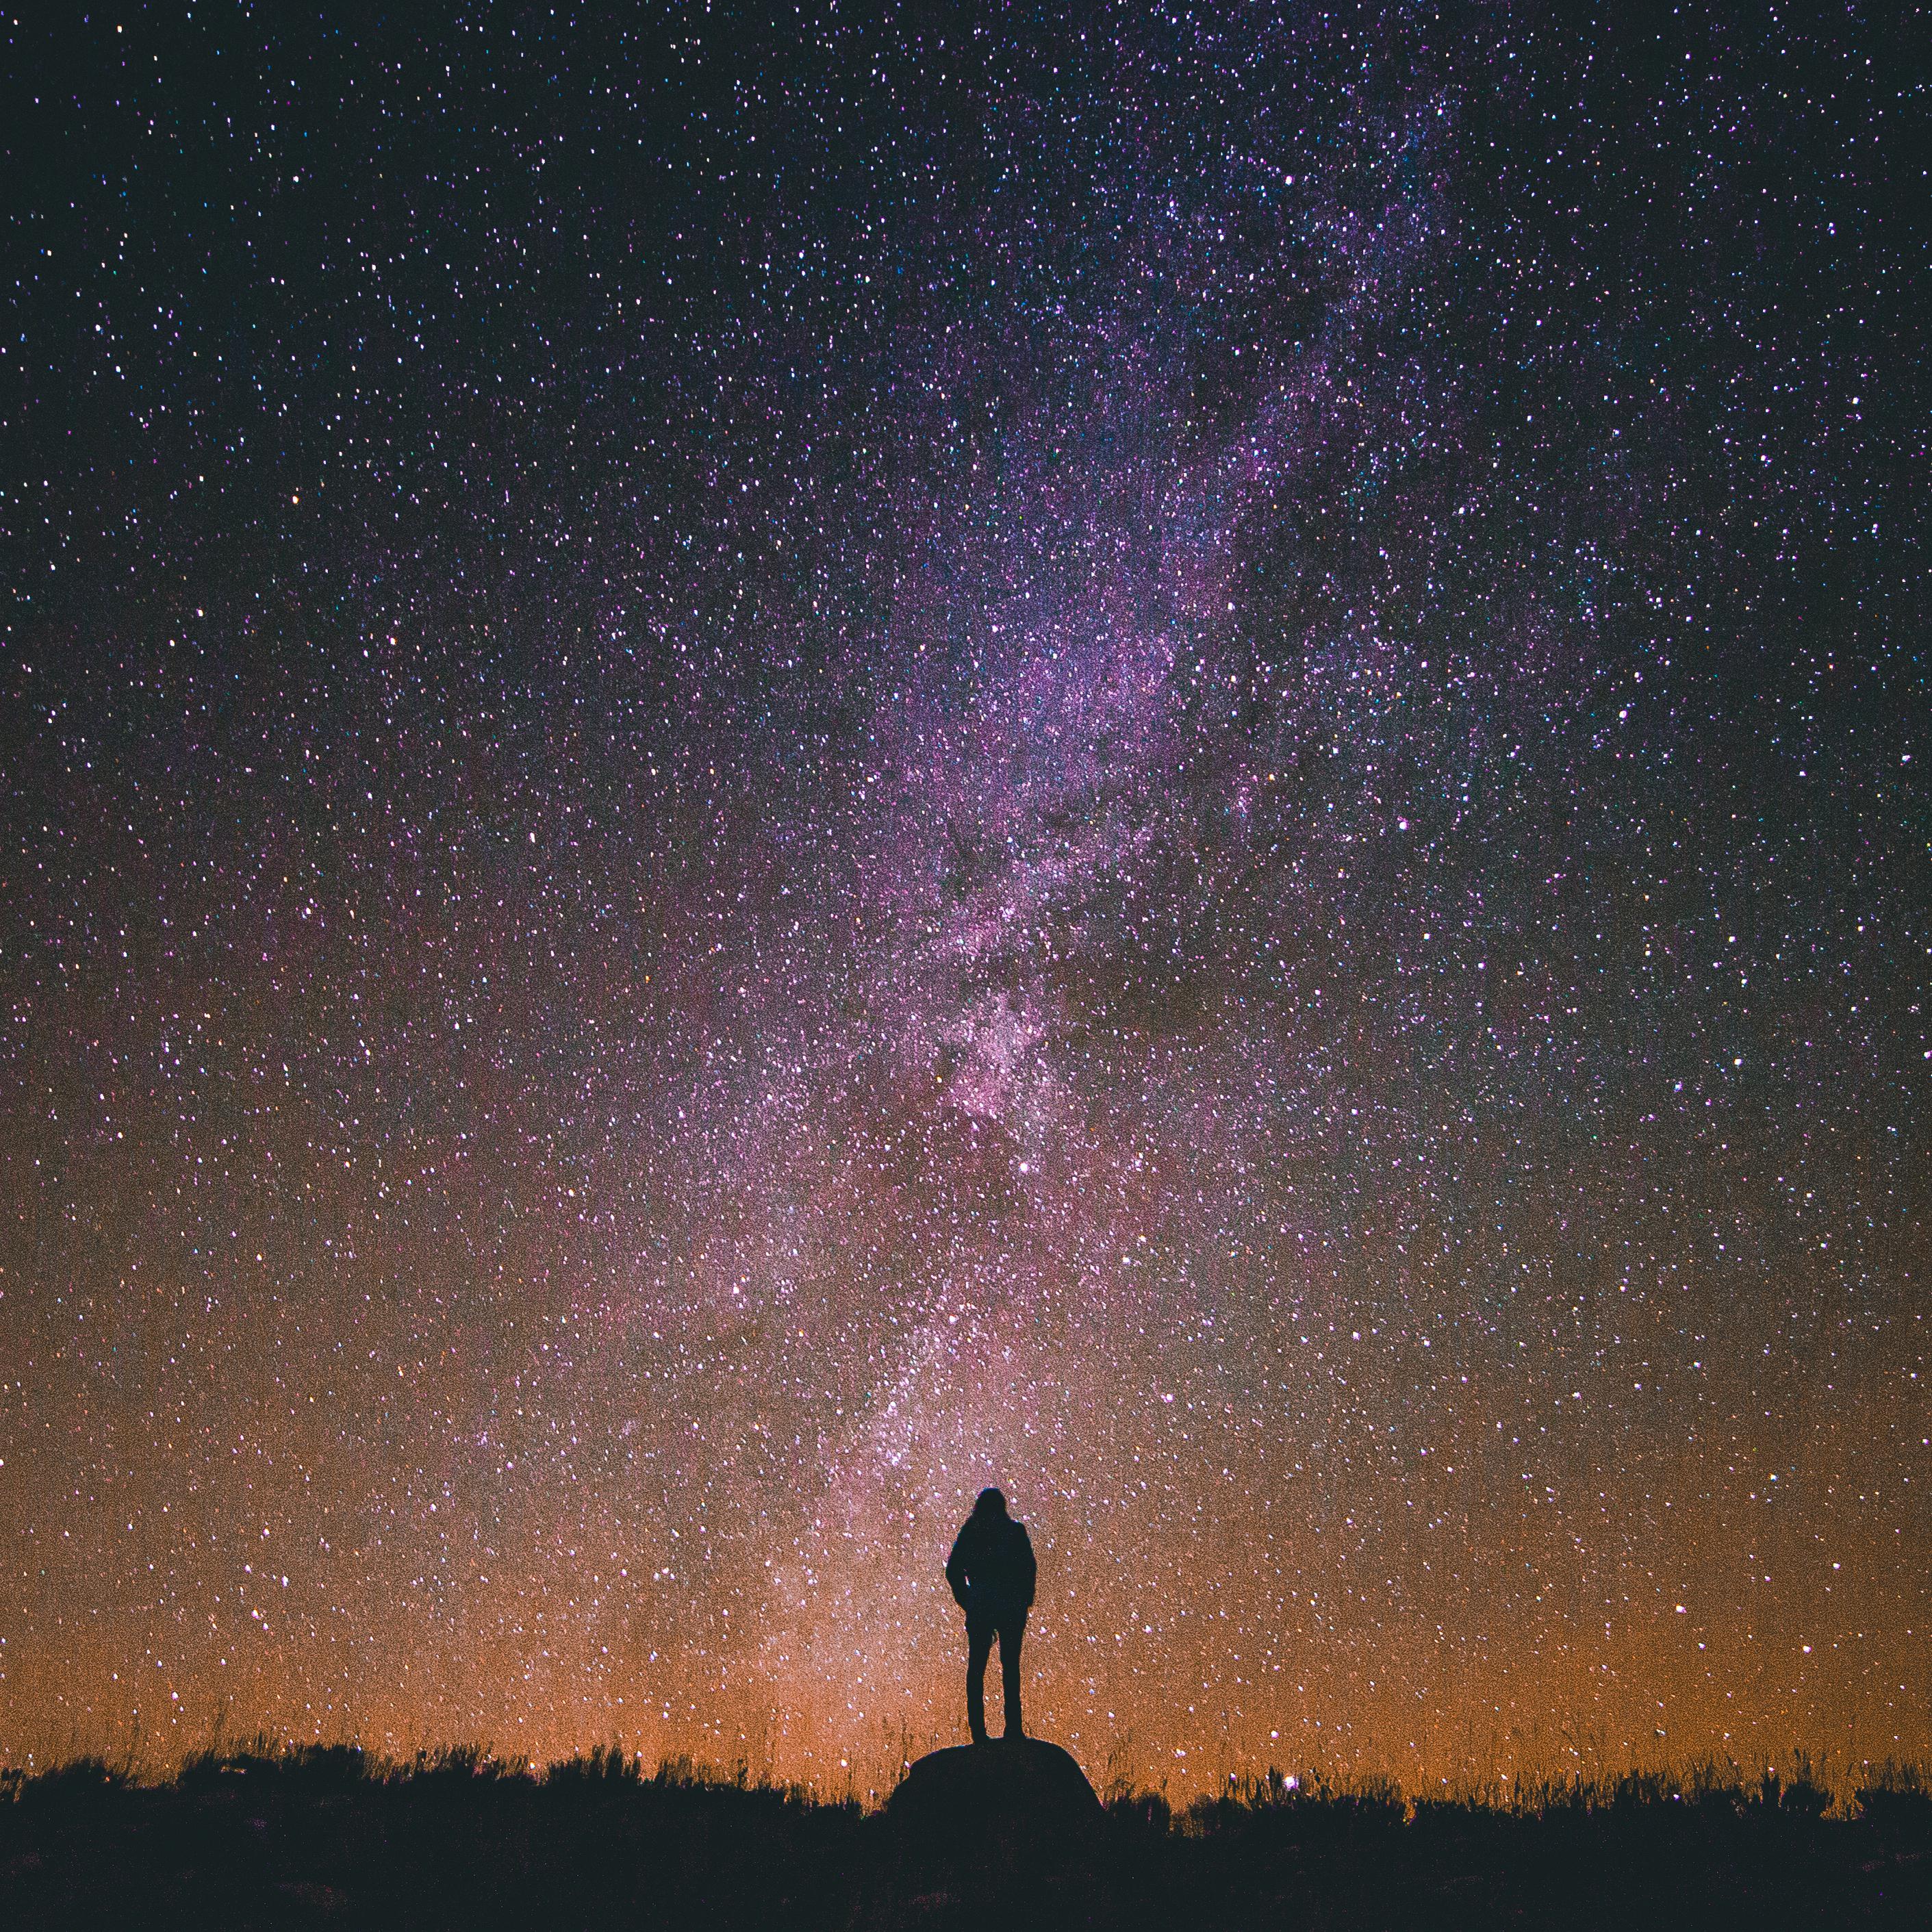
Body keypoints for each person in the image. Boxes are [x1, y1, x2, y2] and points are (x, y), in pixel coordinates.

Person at [945, 1486, 1036, 1744]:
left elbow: (953, 1571)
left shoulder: (972, 1532)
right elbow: (1028, 1570)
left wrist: (969, 1601)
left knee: (977, 1669)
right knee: (1010, 1667)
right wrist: (1022, 1601)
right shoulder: (1014, 1531)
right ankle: (1013, 1730)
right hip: (1008, 1608)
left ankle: (979, 1734)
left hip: (984, 1605)